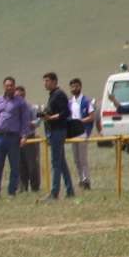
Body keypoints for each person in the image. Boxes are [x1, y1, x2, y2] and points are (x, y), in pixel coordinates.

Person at [0, 77, 31, 198]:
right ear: (4, 86)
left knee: (14, 166)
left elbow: (25, 120)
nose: (9, 87)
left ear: (14, 86)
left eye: (11, 85)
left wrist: (24, 136)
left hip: (13, 138)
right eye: (7, 85)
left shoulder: (20, 102)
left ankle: (11, 192)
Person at [39, 72, 75, 200]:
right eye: (44, 81)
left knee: (56, 163)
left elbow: (65, 113)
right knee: (61, 162)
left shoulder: (59, 94)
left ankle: (54, 193)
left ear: (54, 81)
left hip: (58, 131)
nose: (45, 83)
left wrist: (51, 117)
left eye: (47, 80)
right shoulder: (52, 95)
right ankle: (70, 189)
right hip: (54, 131)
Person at [67, 78, 96, 190]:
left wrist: (80, 121)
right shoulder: (70, 102)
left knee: (83, 159)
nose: (74, 89)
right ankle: (81, 179)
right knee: (76, 159)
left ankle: (86, 180)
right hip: (73, 134)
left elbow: (92, 116)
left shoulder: (86, 101)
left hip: (83, 133)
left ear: (80, 87)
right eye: (72, 87)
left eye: (76, 86)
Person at [14, 85, 41, 192]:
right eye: (17, 95)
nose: (19, 97)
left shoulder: (32, 107)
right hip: (17, 139)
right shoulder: (13, 109)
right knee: (20, 164)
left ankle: (35, 187)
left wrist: (30, 123)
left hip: (30, 138)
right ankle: (23, 187)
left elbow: (38, 121)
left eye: (21, 95)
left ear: (24, 95)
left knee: (32, 164)